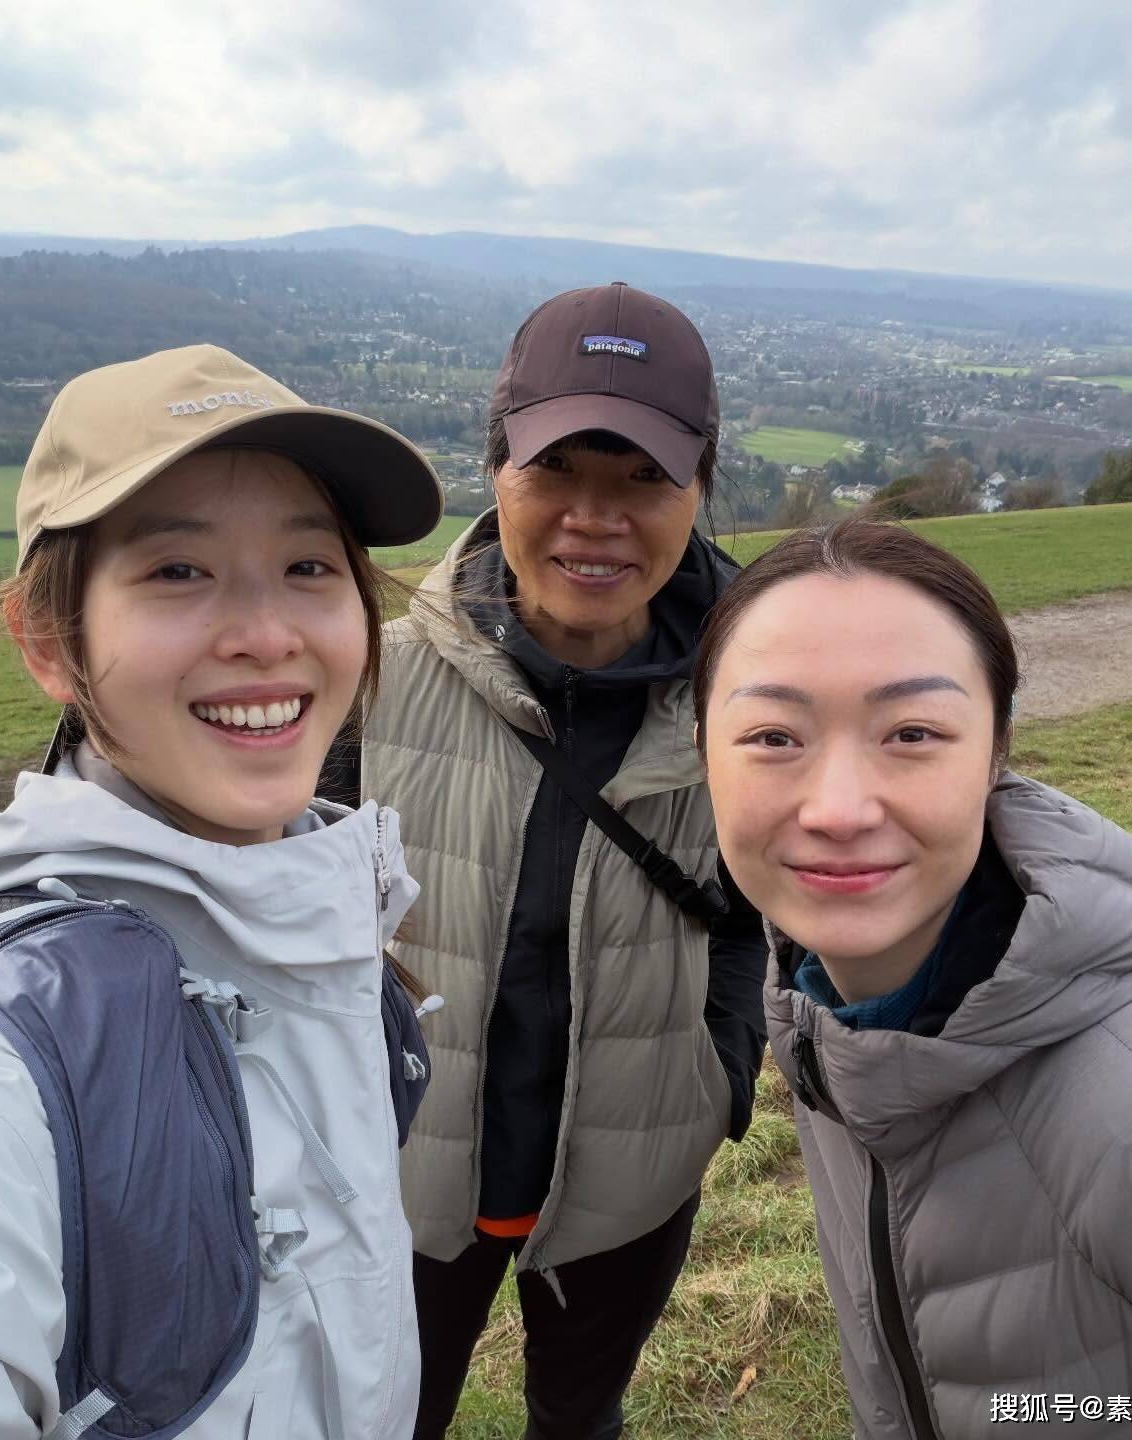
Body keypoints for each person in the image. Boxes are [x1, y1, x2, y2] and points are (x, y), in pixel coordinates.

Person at [0, 345, 445, 1438]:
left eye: (308, 565)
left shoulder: (330, 914)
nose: (268, 636)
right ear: (50, 643)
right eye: (178, 572)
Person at [693, 514, 1132, 1438]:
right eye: (774, 737)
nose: (838, 810)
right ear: (702, 755)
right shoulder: (826, 1020)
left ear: (997, 750)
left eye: (912, 732)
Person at [328, 282, 769, 1439]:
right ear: (495, 471)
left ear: (700, 487)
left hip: (632, 1177)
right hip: (403, 1177)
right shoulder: (371, 680)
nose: (594, 517)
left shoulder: (754, 699)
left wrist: (719, 1074)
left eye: (643, 476)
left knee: (580, 1419)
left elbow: (757, 911)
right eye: (556, 468)